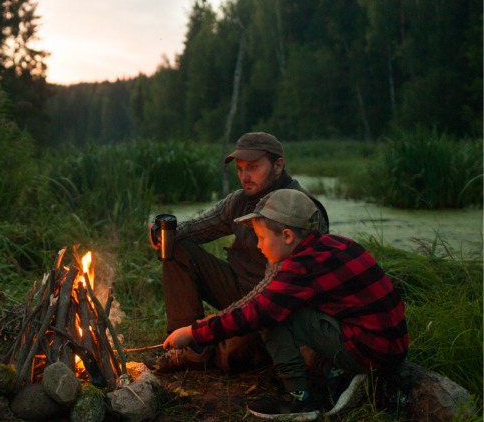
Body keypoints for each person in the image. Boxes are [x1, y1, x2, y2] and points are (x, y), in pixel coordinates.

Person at [162, 189, 409, 420]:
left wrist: (194, 333)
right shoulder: (334, 244)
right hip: (391, 345)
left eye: (261, 238)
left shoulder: (300, 268)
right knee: (290, 310)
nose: (258, 246)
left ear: (287, 236)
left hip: (371, 350)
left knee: (273, 319)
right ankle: (335, 374)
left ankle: (298, 399)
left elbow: (256, 313)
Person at [147, 132, 329, 373]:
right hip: (238, 287)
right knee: (178, 248)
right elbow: (197, 228)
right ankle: (186, 347)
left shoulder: (301, 210)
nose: (245, 176)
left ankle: (206, 346)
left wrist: (208, 327)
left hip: (278, 307)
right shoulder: (240, 201)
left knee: (233, 352)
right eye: (240, 169)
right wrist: (166, 232)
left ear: (278, 165)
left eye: (253, 167)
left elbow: (279, 293)